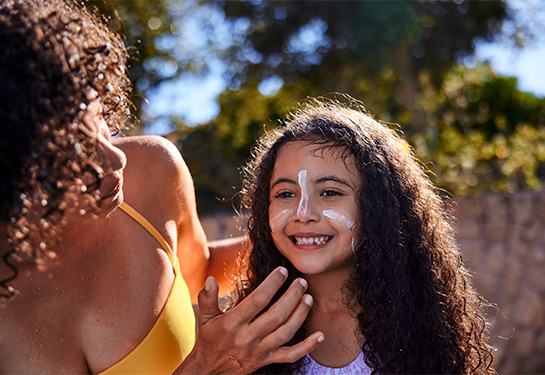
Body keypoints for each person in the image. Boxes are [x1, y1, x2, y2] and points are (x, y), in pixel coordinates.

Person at [0, 0, 323, 373]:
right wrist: (205, 366)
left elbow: (198, 271)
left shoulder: (149, 172)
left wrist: (304, 236)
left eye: (101, 124)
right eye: (76, 154)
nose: (114, 159)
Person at [235, 97, 496, 374]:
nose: (303, 213)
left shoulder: (424, 320)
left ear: (379, 207)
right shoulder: (249, 329)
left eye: (330, 192)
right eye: (286, 194)